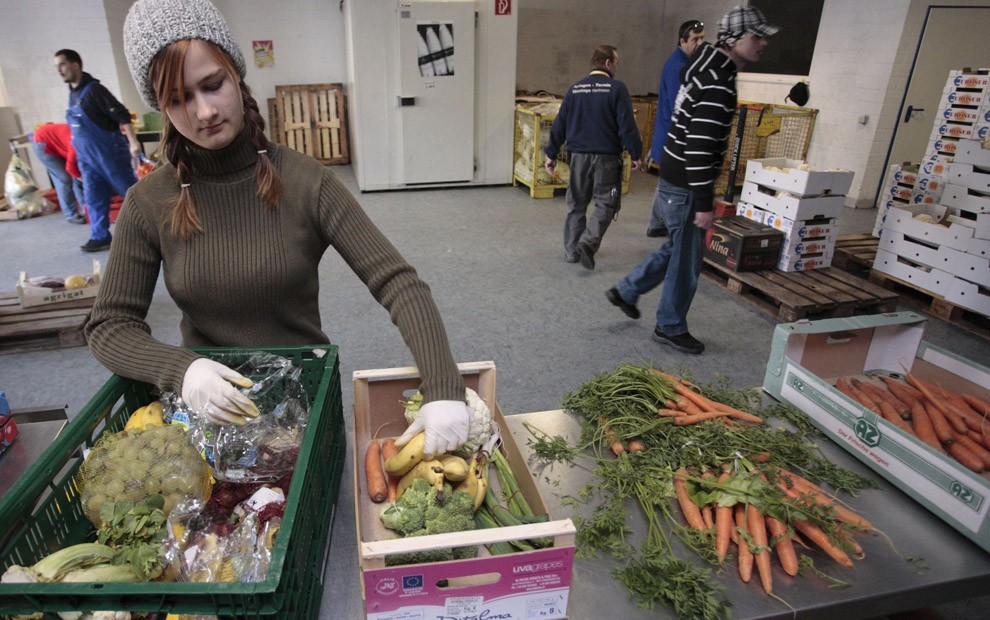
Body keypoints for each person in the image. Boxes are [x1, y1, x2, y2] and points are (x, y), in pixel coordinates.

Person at [85, 0, 469, 460]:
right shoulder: (149, 202)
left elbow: (398, 282)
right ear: (161, 107)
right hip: (213, 412)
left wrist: (444, 386)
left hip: (302, 407)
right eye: (179, 99)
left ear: (236, 74)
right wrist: (181, 370)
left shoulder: (307, 181)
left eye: (213, 85)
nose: (204, 111)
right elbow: (108, 325)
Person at [605, 5, 777, 355]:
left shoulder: (703, 66)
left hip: (675, 176)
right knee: (687, 259)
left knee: (679, 247)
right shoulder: (718, 81)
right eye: (755, 36)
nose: (763, 43)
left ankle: (627, 289)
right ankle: (669, 326)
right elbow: (699, 146)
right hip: (686, 183)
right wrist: (703, 202)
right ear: (733, 39)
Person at [544, 45, 642, 271]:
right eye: (616, 63)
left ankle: (571, 251)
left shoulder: (575, 90)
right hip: (607, 159)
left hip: (578, 157)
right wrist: (635, 154)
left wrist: (551, 154)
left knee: (576, 203)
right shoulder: (617, 89)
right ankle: (588, 243)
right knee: (607, 202)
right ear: (608, 63)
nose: (617, 68)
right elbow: (627, 126)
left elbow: (560, 125)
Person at [54, 48, 141, 252]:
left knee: (133, 194)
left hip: (109, 155)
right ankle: (100, 235)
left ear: (75, 65)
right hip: (88, 159)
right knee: (93, 199)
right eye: (57, 66)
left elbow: (122, 114)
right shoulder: (73, 94)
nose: (59, 70)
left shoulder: (94, 90)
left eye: (62, 64)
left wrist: (133, 142)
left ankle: (157, 228)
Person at [646, 19, 705, 239]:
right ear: (682, 41)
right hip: (674, 135)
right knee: (675, 185)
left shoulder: (685, 64)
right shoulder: (678, 67)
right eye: (695, 39)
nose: (699, 43)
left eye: (702, 38)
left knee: (666, 181)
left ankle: (655, 223)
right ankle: (672, 228)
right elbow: (678, 107)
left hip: (670, 135)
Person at [31, 123, 86, 224]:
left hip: (56, 142)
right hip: (42, 142)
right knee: (64, 178)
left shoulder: (85, 140)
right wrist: (83, 179)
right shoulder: (76, 143)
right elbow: (71, 168)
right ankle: (71, 214)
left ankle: (85, 209)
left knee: (76, 177)